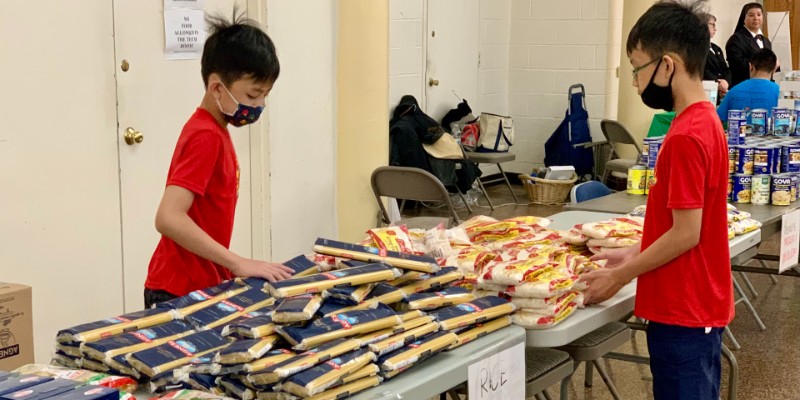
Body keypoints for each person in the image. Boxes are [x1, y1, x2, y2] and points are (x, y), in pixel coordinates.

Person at [581, 1, 733, 399]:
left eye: (637, 67)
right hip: (697, 304)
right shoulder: (706, 120)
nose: (634, 82)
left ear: (667, 66)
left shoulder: (685, 136)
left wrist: (618, 277)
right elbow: (677, 225)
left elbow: (686, 234)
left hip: (684, 309)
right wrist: (631, 253)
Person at [143, 12, 294, 308]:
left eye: (265, 95)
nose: (259, 105)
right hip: (177, 290)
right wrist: (238, 262)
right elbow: (168, 217)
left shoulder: (216, 130)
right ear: (217, 88)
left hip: (199, 282)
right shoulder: (205, 136)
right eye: (253, 95)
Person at [717, 48, 780, 124]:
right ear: (774, 69)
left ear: (751, 66)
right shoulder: (779, 93)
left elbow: (717, 121)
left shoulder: (734, 91)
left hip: (739, 134)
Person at [726, 2, 776, 88]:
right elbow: (737, 65)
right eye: (751, 15)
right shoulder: (736, 40)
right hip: (744, 86)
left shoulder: (766, 41)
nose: (756, 18)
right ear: (744, 18)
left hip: (765, 86)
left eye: (759, 15)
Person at [702, 13, 731, 101]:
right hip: (706, 90)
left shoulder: (716, 48)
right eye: (712, 25)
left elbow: (726, 69)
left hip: (721, 92)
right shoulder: (695, 49)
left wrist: (726, 82)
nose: (715, 29)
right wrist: (718, 82)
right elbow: (701, 70)